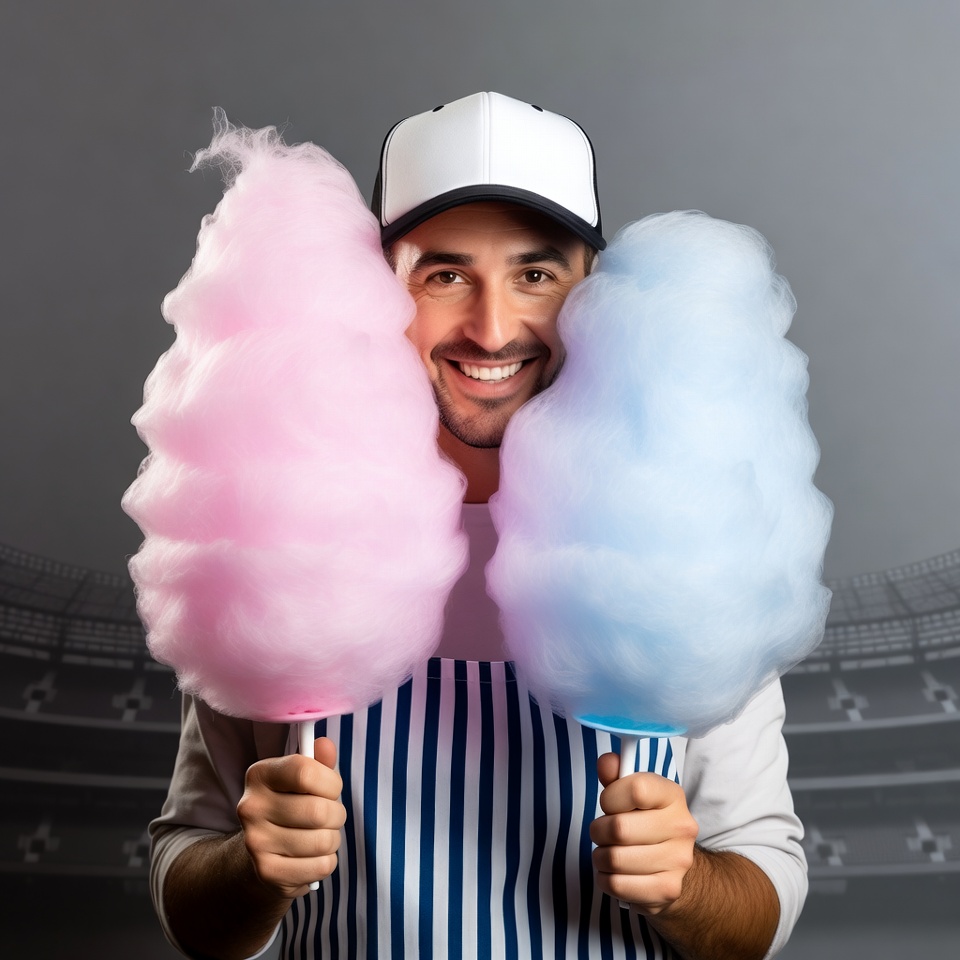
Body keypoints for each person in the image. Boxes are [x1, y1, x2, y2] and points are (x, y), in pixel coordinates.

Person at [149, 92, 807, 960]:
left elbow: (765, 888)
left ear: (592, 297)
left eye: (535, 275)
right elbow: (188, 875)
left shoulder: (693, 540)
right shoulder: (277, 534)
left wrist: (687, 887)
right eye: (444, 274)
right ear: (374, 291)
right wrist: (249, 869)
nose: (492, 327)